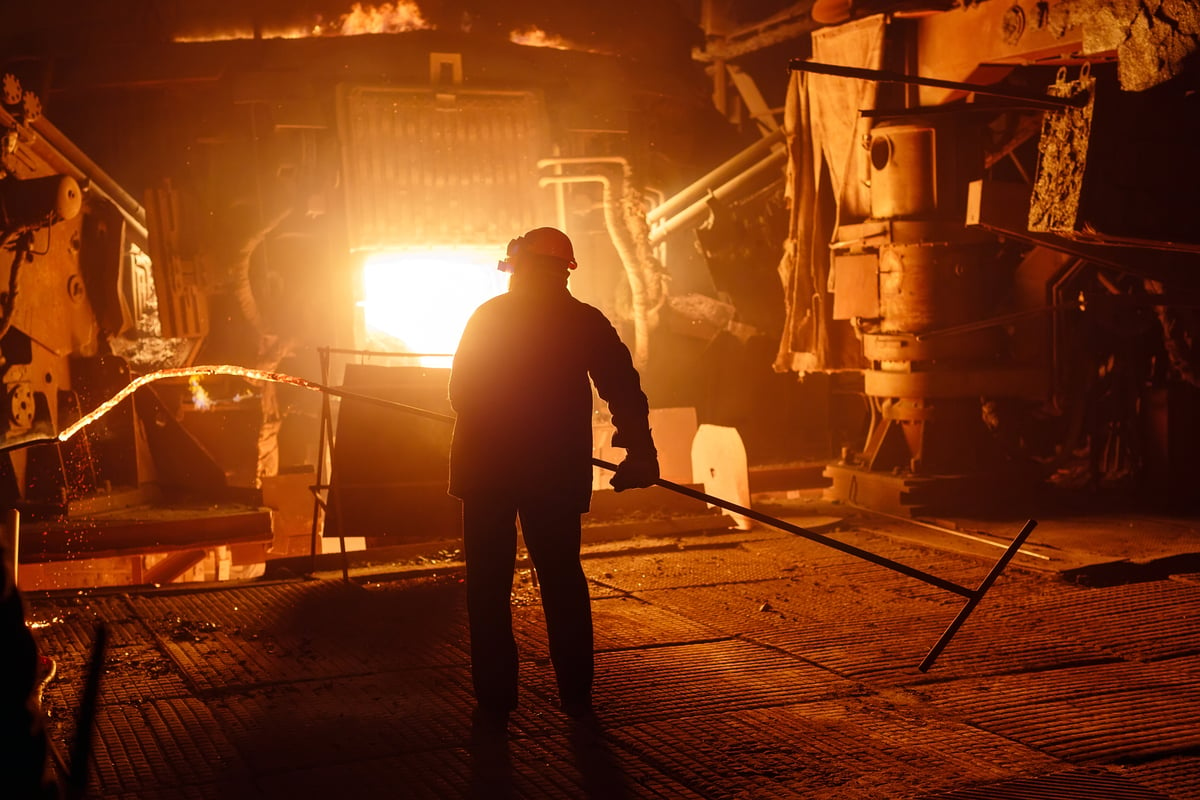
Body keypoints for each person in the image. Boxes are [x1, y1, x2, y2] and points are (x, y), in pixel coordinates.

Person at [448, 226, 659, 721]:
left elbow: (460, 393)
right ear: (565, 270)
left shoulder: (488, 317)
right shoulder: (582, 321)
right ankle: (576, 698)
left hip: (488, 471)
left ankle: (496, 703)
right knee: (562, 578)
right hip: (554, 471)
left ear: (517, 267)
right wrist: (640, 452)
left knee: (487, 585)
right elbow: (624, 388)